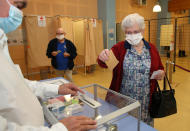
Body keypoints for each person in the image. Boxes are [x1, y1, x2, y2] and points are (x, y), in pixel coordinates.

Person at [0, 0, 97, 131]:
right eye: (17, 5)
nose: (19, 11)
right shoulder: (52, 42)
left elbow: (19, 84)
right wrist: (52, 53)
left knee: (70, 82)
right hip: (57, 67)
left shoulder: (69, 42)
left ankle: (72, 96)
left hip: (68, 66)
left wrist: (57, 89)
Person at [98, 13, 164, 127]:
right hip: (123, 99)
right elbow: (104, 63)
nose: (132, 35)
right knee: (124, 125)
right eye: (128, 32)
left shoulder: (151, 49)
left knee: (144, 126)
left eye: (135, 32)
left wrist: (161, 73)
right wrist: (102, 57)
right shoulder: (119, 48)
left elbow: (160, 68)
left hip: (146, 100)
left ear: (142, 31)